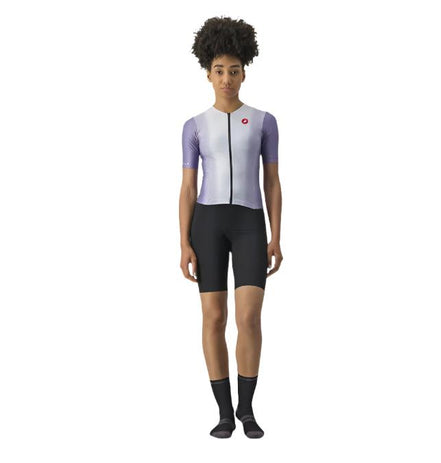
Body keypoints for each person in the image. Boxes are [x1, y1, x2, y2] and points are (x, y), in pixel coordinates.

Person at [179, 16, 283, 439]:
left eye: (234, 70)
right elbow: (188, 188)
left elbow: (272, 181)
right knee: (214, 316)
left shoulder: (264, 121)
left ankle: (247, 409)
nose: (227, 79)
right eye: (219, 70)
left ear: (244, 73)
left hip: (249, 223)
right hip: (207, 223)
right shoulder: (193, 126)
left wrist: (277, 235)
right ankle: (224, 412)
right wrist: (183, 242)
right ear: (208, 73)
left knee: (249, 316)